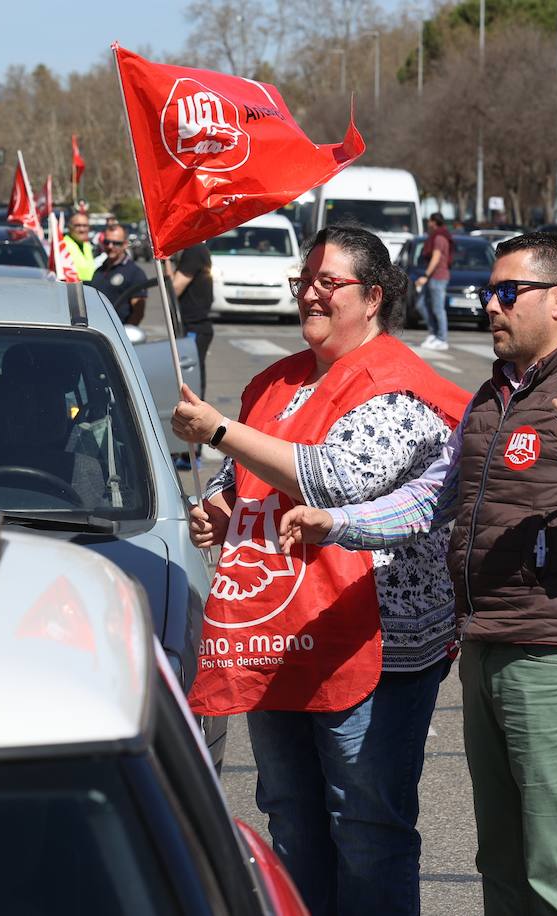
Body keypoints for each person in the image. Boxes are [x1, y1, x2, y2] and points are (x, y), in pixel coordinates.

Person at [279, 232, 557, 916]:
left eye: (509, 293)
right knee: (503, 863)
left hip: (556, 655)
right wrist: (339, 522)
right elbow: (430, 500)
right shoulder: (492, 397)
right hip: (484, 643)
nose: (491, 305)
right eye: (489, 292)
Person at [172, 224, 471, 916]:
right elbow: (238, 476)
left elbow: (333, 479)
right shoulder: (275, 383)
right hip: (279, 635)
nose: (308, 293)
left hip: (372, 646)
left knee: (366, 826)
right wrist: (218, 505)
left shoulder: (401, 387)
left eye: (326, 283)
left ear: (371, 297)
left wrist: (219, 429)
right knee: (291, 818)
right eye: (303, 280)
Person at [168, 241, 214, 397]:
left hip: (194, 326)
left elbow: (175, 288)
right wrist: (166, 260)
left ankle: (196, 413)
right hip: (192, 325)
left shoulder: (194, 250)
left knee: (190, 381)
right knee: (191, 378)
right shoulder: (195, 250)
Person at [88, 224, 146, 325]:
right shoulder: (98, 270)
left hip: (118, 335)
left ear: (125, 244)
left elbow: (138, 313)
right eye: (107, 242)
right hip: (97, 332)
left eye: (116, 243)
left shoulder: (135, 273)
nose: (110, 246)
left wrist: (126, 335)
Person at [416, 212, 453, 351]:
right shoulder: (437, 236)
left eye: (429, 221)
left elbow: (436, 257)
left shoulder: (439, 237)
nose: (428, 224)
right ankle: (433, 334)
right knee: (421, 304)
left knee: (438, 309)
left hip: (438, 277)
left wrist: (425, 275)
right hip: (434, 277)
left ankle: (442, 339)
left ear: (433, 222)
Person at [61, 214, 97, 281]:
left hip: (89, 288)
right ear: (69, 227)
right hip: (73, 288)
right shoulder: (62, 245)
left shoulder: (87, 245)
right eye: (77, 226)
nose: (82, 229)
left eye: (85, 226)